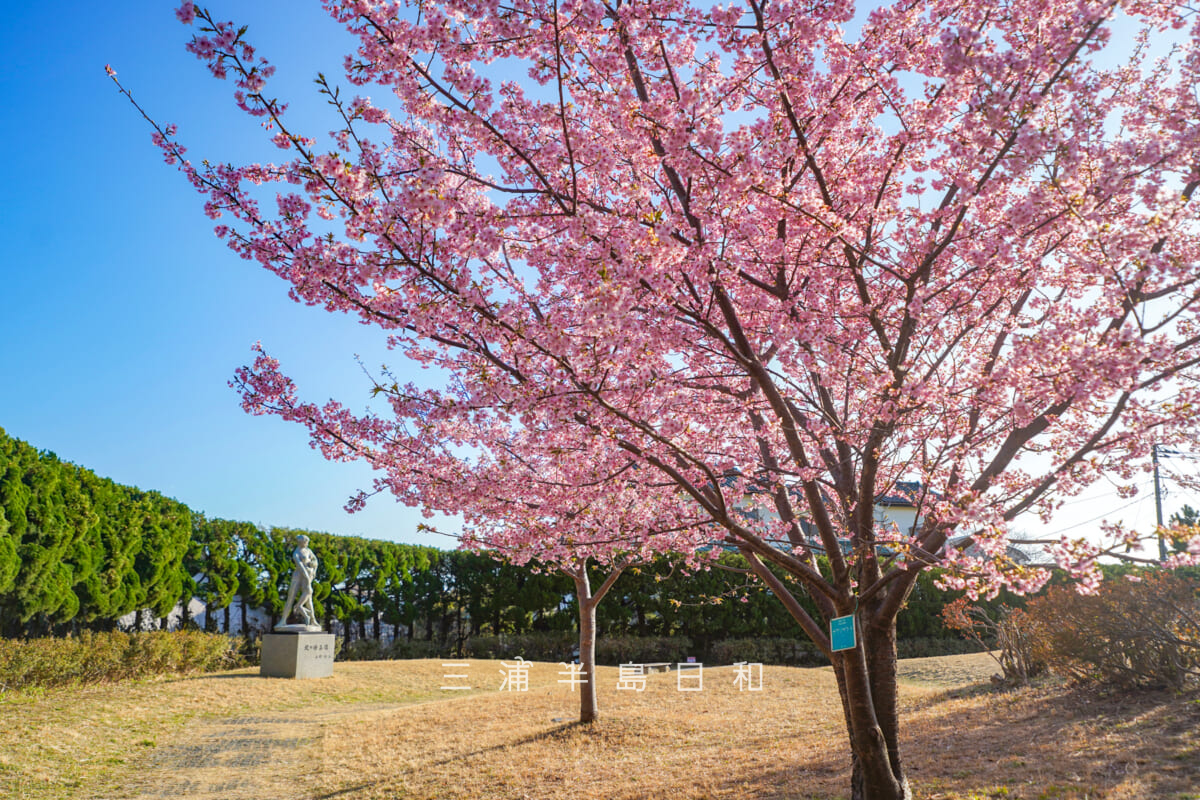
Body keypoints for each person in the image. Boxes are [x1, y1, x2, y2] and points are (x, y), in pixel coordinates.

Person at [278, 535, 319, 629]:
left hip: (308, 576)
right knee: (291, 597)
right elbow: (301, 567)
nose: (307, 543)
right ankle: (283, 620)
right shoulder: (296, 553)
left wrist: (313, 569)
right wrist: (308, 578)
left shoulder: (308, 551)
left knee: (309, 599)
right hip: (298, 576)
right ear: (301, 542)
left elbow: (315, 561)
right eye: (306, 541)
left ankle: (313, 620)